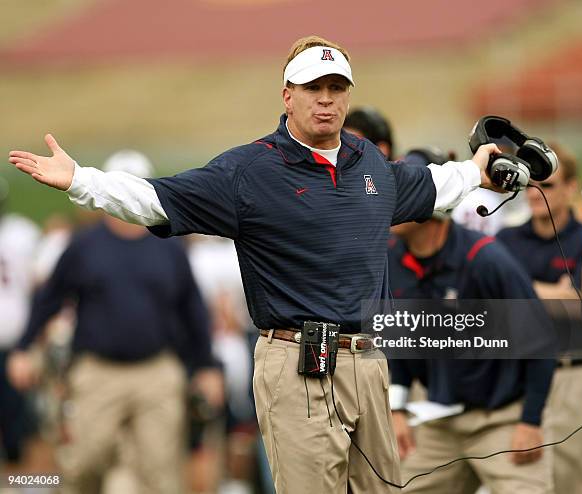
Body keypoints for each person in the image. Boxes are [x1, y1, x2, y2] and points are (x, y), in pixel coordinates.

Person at [8, 35, 505, 494]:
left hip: (369, 362)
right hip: (299, 364)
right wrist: (81, 180)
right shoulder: (249, 171)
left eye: (336, 87)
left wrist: (481, 169)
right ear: (288, 95)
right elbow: (156, 200)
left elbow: (437, 185)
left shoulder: (369, 164)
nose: (326, 98)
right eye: (313, 87)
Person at [7, 151, 223, 494]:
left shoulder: (169, 247)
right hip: (97, 371)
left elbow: (192, 309)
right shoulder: (84, 246)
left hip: (157, 370)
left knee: (161, 472)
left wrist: (207, 366)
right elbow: (49, 299)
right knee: (85, 463)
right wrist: (23, 347)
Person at [387, 174, 556, 493]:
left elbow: (540, 341)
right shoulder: (391, 258)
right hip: (439, 424)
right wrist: (396, 409)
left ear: (429, 209)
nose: (386, 207)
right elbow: (397, 342)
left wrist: (530, 421)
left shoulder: (486, 259)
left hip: (502, 420)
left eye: (399, 199)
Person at [497, 144, 582, 494]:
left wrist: (523, 290)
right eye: (530, 185)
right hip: (518, 377)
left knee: (572, 485)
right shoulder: (506, 240)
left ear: (571, 188)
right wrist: (553, 293)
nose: (536, 193)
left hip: (572, 377)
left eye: (548, 185)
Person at [0, 176, 40, 466]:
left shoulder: (21, 233)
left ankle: (22, 478)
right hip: (16, 335)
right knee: (20, 419)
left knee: (23, 420)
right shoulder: (22, 233)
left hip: (16, 342)